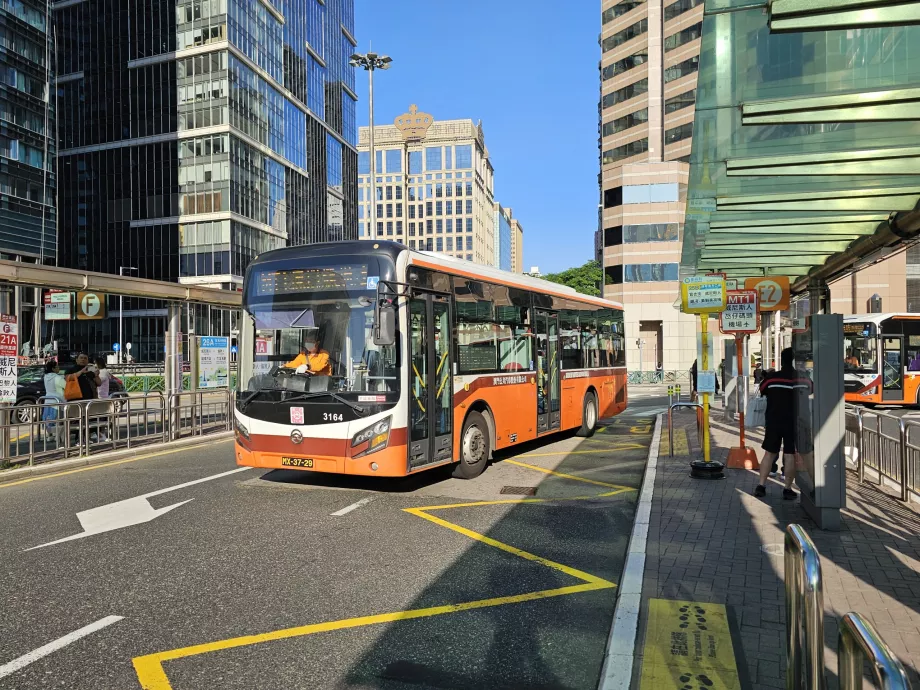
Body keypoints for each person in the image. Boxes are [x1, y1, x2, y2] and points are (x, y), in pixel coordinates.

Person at [753, 347, 812, 499]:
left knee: (769, 453)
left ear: (781, 359)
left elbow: (762, 389)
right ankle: (787, 489)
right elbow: (810, 389)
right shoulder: (803, 378)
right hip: (795, 422)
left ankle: (761, 486)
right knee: (790, 454)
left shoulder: (772, 378)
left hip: (774, 421)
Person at [41, 359, 65, 441]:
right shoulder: (58, 378)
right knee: (59, 419)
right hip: (58, 401)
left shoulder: (45, 377)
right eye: (57, 367)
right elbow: (66, 386)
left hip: (47, 400)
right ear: (53, 368)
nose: (59, 368)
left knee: (48, 419)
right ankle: (58, 436)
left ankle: (49, 436)